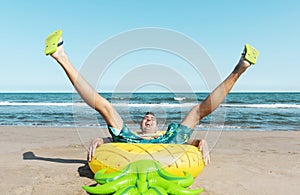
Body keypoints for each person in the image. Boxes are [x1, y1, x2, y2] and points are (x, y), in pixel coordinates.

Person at [45, 30, 259, 166]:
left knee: (197, 111)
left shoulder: (168, 134)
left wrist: (199, 141)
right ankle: (61, 56)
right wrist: (100, 140)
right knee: (106, 108)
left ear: (158, 124)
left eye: (152, 118)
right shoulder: (128, 135)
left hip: (165, 144)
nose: (148, 119)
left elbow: (187, 142)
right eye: (145, 118)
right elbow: (113, 142)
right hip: (132, 143)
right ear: (140, 124)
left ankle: (241, 67)